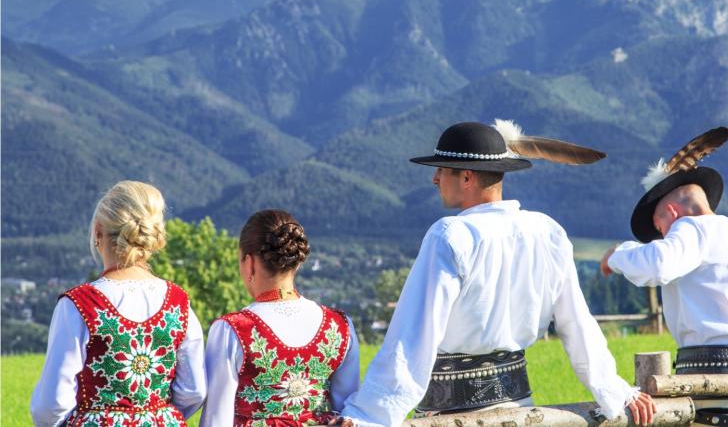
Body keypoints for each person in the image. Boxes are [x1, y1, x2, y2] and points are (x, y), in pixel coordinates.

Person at [340, 121, 655, 426]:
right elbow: (576, 321)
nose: (434, 178)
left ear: (466, 177)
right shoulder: (547, 231)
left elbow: (413, 334)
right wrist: (613, 389)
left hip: (451, 416)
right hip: (520, 409)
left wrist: (369, 416)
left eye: (441, 170)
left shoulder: (449, 235)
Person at [600, 127, 728, 427]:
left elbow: (658, 264)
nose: (661, 236)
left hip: (714, 390)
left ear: (673, 212)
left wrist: (617, 255)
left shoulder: (690, 229)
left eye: (659, 227)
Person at [30, 181, 206, 425]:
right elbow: (193, 390)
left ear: (98, 231)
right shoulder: (178, 303)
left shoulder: (79, 305)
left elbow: (52, 404)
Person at [201, 209, 360, 425]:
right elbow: (348, 411)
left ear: (249, 264)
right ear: (297, 261)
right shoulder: (340, 326)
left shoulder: (232, 329)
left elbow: (216, 419)